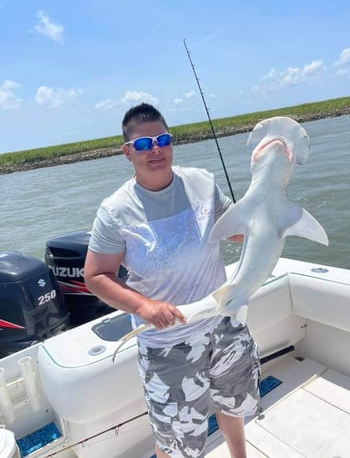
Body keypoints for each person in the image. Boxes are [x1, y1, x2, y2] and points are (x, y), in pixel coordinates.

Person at [84, 103, 260, 458]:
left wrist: (263, 211)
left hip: (224, 321)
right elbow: (96, 275)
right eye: (145, 144)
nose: (156, 149)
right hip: (167, 343)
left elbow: (237, 233)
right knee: (175, 440)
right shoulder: (116, 210)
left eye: (162, 139)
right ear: (127, 152)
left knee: (233, 403)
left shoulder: (201, 182)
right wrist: (143, 306)